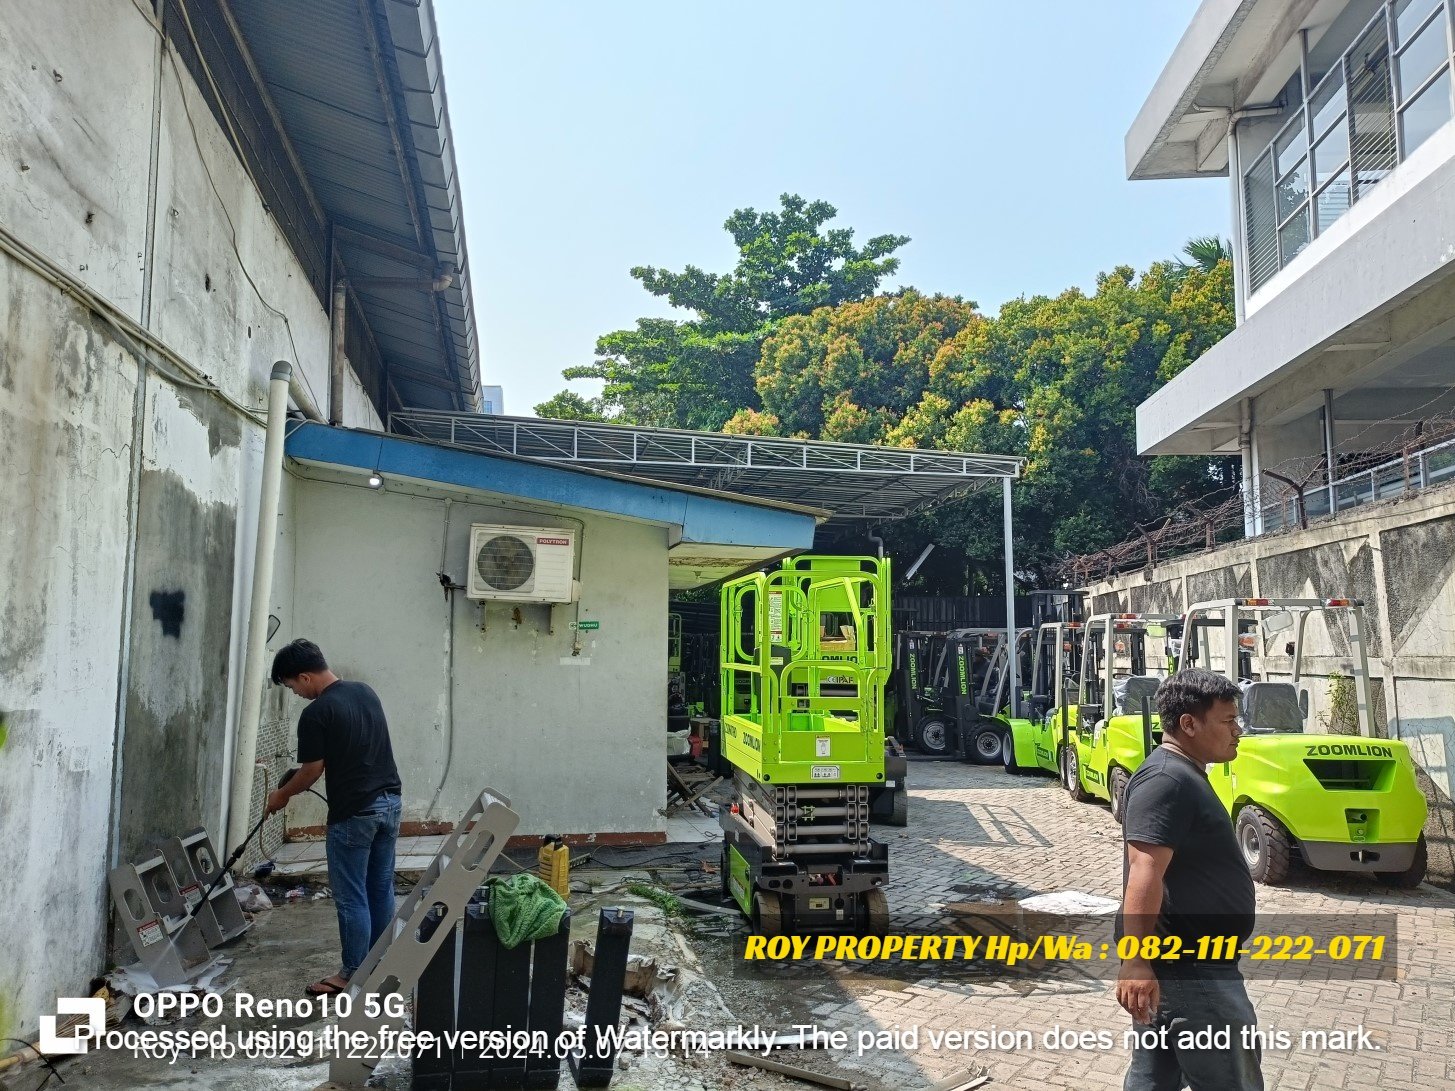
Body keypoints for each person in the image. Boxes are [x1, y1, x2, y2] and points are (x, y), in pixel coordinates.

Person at [1115, 668, 1263, 1091]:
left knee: (1154, 1080)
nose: (1238, 731)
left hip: (1183, 965)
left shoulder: (1184, 773)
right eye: (1228, 721)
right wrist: (1136, 961)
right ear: (1189, 724)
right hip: (1192, 969)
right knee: (1231, 1080)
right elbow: (1144, 871)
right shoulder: (1167, 780)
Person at [265, 639, 402, 997]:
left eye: (292, 685)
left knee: (352, 895)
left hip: (354, 813)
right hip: (390, 803)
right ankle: (381, 961)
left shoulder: (316, 713)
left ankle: (352, 974)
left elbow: (311, 772)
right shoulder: (365, 692)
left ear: (305, 676)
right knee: (379, 888)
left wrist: (281, 795)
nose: (294, 693)